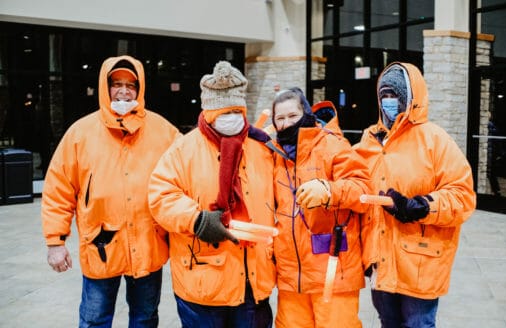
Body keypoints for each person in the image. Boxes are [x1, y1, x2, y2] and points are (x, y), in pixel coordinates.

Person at [41, 55, 181, 327]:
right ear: (106, 88)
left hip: (148, 245)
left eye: (131, 84)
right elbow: (58, 190)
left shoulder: (164, 131)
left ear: (140, 89)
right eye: (117, 83)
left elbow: (190, 170)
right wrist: (55, 242)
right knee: (94, 320)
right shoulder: (80, 133)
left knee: (145, 318)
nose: (124, 90)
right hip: (100, 246)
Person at [148, 61, 276, 328]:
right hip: (203, 284)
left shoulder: (261, 149)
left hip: (252, 281)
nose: (230, 117)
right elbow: (160, 196)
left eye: (235, 110)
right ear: (207, 112)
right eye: (222, 111)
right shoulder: (183, 150)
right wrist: (197, 220)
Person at [354, 62, 476, 327]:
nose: (389, 102)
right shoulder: (369, 140)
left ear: (411, 98)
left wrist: (420, 206)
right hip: (380, 258)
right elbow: (351, 182)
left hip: (420, 259)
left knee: (418, 323)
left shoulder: (435, 140)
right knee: (388, 322)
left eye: (395, 95)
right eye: (384, 95)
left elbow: (462, 195)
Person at [270, 87, 371, 328]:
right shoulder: (274, 153)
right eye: (280, 119)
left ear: (305, 113)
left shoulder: (332, 144)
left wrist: (329, 191)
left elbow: (364, 190)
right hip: (291, 276)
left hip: (333, 272)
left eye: (292, 116)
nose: (286, 124)